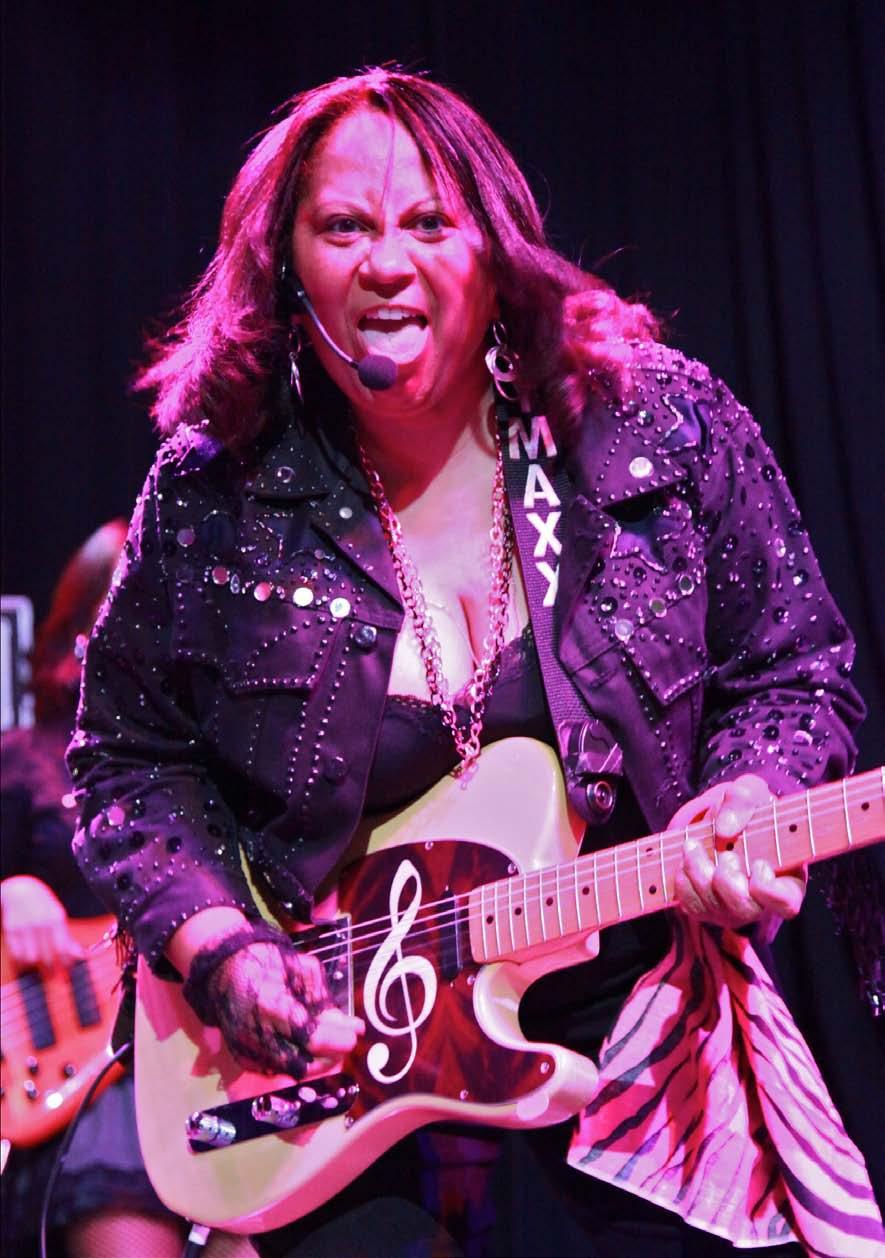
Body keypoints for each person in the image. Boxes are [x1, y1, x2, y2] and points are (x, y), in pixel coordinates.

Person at [66, 68, 881, 1258]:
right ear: (287, 269)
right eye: (344, 227)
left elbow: (795, 667)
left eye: (428, 223)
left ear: (494, 248)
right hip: (329, 1038)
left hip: (629, 1008)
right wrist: (220, 949)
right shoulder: (214, 487)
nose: (387, 263)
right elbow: (127, 761)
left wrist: (751, 791)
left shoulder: (652, 426)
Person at [1, 521, 255, 1258]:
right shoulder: (24, 759)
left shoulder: (235, 762)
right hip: (94, 1084)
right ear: (83, 629)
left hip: (220, 1055)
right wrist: (9, 889)